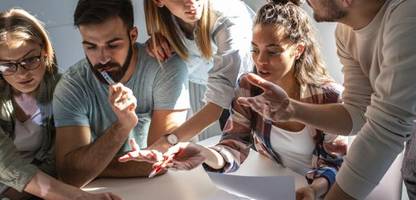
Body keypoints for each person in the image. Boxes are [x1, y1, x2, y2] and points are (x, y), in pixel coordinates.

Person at [121, 1, 347, 199]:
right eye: (255, 50)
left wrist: (313, 190)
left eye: (273, 51)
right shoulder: (249, 88)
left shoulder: (329, 97)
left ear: (298, 50)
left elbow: (336, 165)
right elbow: (234, 145)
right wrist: (202, 153)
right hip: (278, 187)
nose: (260, 60)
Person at [232, 0, 416, 199]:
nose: (303, 1)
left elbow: (386, 130)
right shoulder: (345, 33)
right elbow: (356, 113)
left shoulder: (407, 14)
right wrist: (292, 109)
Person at [52, 0, 189, 187]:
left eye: (113, 45)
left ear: (133, 36)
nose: (102, 58)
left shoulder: (165, 68)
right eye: (91, 46)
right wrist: (123, 126)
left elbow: (159, 161)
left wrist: (92, 167)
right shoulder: (72, 86)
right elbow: (70, 176)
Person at [0, 8, 120, 200]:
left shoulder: (66, 89)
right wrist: (78, 197)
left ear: (45, 52)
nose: (22, 74)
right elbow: (6, 164)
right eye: (7, 65)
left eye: (30, 60)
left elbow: (61, 161)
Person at [144, 0, 254, 144]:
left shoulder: (228, 19)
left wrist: (169, 142)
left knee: (251, 151)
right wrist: (157, 45)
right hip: (226, 93)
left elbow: (216, 105)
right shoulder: (166, 23)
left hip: (258, 90)